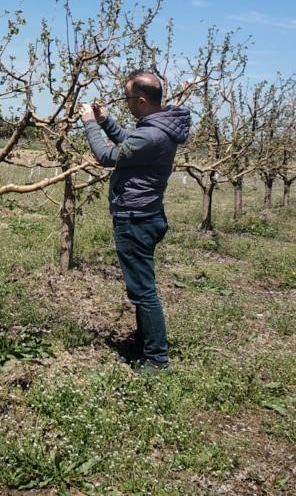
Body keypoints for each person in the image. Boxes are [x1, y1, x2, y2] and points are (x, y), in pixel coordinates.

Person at [80, 70, 190, 372]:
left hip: (136, 218)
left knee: (143, 290)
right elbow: (131, 141)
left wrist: (89, 122)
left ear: (141, 100)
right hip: (146, 214)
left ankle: (157, 359)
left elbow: (106, 155)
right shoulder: (158, 128)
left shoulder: (153, 134)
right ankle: (145, 344)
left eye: (127, 98)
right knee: (141, 288)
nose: (125, 103)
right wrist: (105, 121)